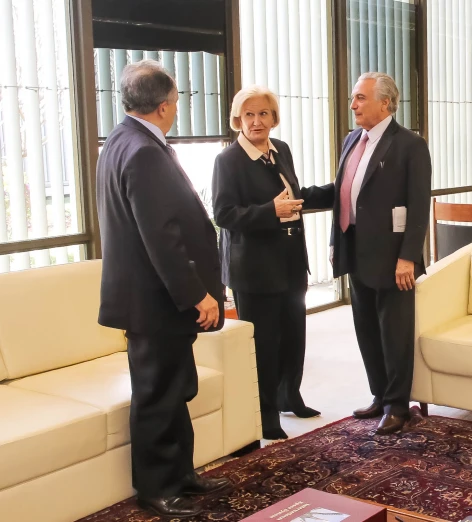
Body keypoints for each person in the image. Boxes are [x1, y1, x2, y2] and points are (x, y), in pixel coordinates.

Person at [96, 60, 231, 519]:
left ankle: (182, 474)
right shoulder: (143, 151)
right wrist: (198, 294)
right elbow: (163, 237)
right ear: (165, 105)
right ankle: (156, 488)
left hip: (151, 299)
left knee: (176, 388)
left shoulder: (121, 139)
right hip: (155, 301)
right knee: (157, 394)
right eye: (177, 101)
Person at [212, 86, 334, 441]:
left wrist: (340, 188)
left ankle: (289, 395)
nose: (256, 121)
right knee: (263, 344)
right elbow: (223, 214)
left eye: (263, 114)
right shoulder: (228, 161)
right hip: (254, 269)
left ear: (273, 117)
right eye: (249, 115)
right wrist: (271, 212)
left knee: (294, 336)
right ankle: (265, 414)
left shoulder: (280, 150)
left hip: (291, 261)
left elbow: (294, 197)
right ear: (238, 119)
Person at [330, 72, 432, 435]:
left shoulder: (409, 145)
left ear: (385, 103)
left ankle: (398, 406)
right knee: (367, 329)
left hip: (393, 258)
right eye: (353, 98)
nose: (353, 105)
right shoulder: (351, 140)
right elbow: (343, 189)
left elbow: (419, 207)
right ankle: (379, 395)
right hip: (356, 250)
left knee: (394, 333)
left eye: (360, 98)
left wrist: (408, 256)